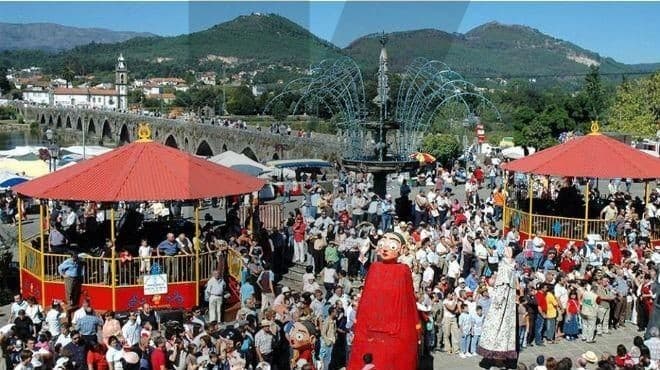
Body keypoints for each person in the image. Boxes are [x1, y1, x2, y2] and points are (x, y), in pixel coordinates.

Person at [347, 232, 419, 370]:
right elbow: (365, 300)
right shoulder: (374, 268)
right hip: (370, 326)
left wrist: (414, 325)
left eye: (391, 245)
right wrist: (359, 320)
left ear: (402, 249)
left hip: (395, 328)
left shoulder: (403, 271)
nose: (385, 248)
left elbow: (409, 302)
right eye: (382, 243)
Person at [477, 246, 518, 368]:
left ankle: (499, 358)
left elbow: (503, 286)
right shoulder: (506, 268)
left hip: (503, 304)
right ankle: (496, 358)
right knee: (498, 329)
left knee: (501, 330)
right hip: (502, 305)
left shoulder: (506, 270)